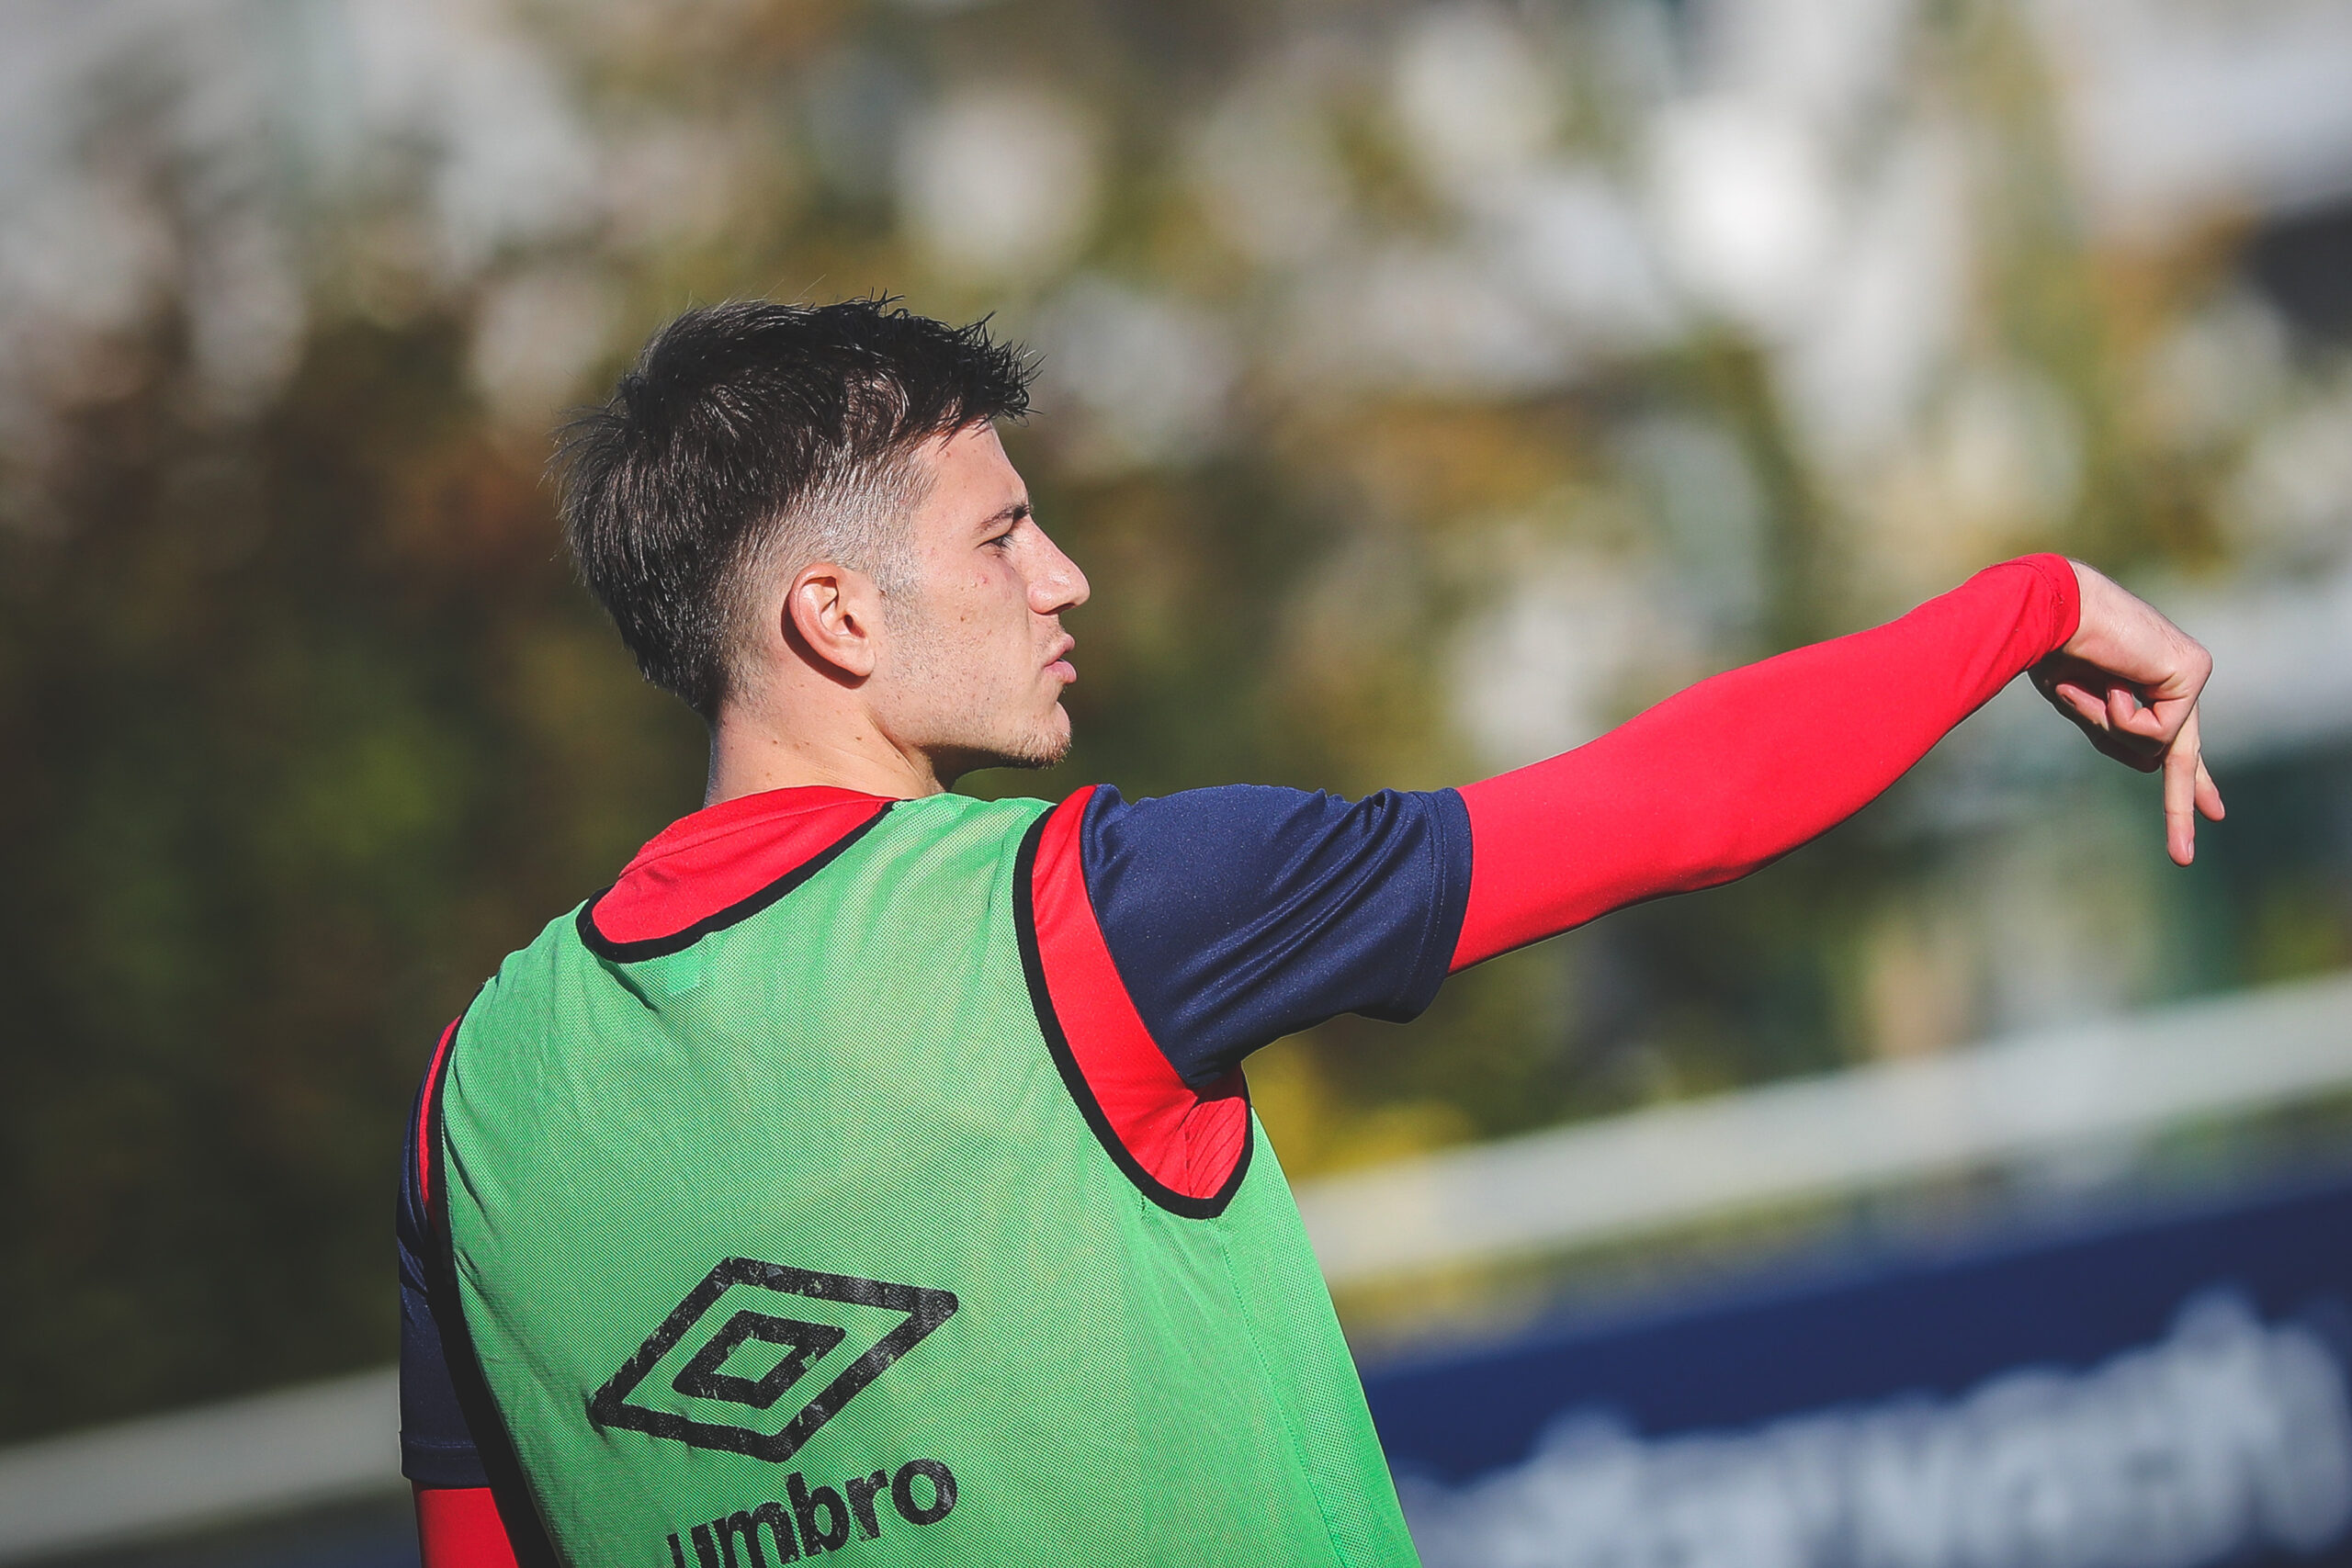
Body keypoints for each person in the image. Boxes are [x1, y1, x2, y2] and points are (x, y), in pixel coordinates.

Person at [398, 299, 2222, 1568]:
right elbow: (1670, 805)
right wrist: (2028, 601)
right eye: (1005, 534)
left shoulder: (476, 1089)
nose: (1064, 577)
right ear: (832, 614)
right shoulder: (1083, 916)